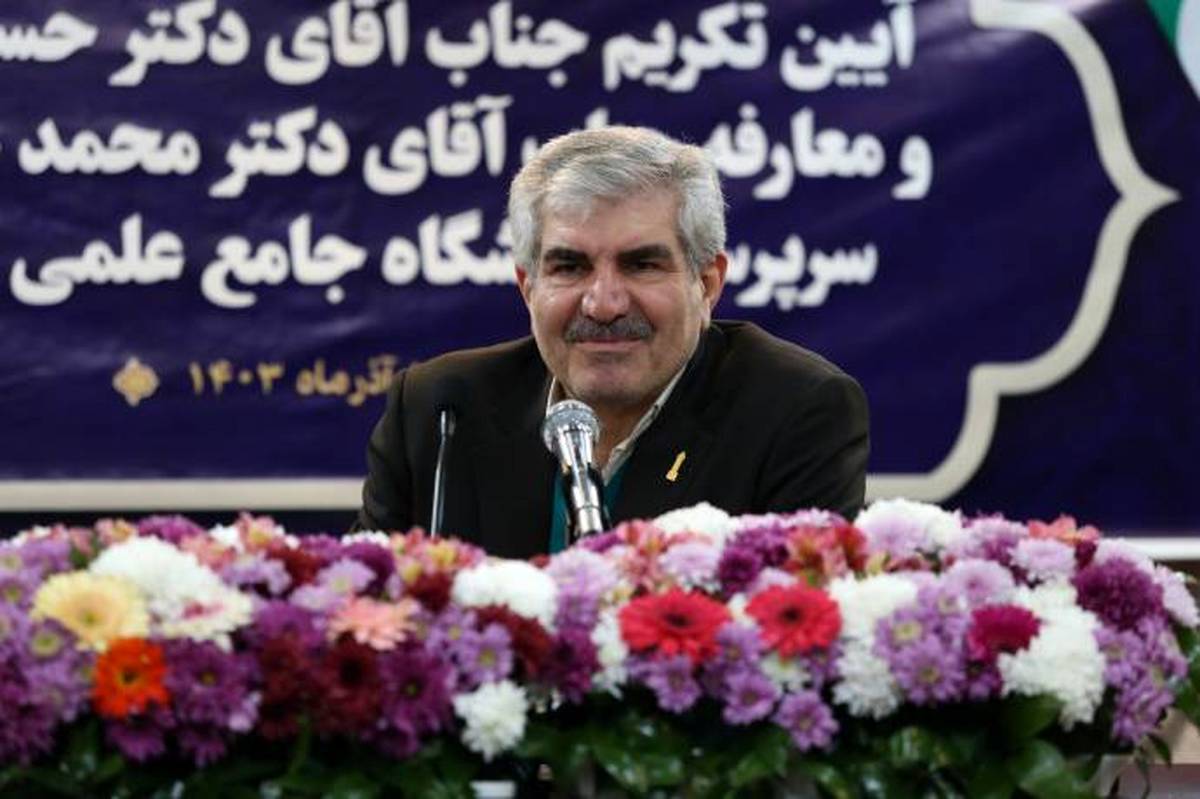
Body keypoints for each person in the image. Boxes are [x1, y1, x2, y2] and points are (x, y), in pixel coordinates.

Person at [357, 126, 869, 558]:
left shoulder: (793, 411)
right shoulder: (439, 410)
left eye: (642, 264)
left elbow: (792, 628)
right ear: (528, 286)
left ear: (707, 284)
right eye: (569, 267)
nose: (603, 304)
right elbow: (363, 615)